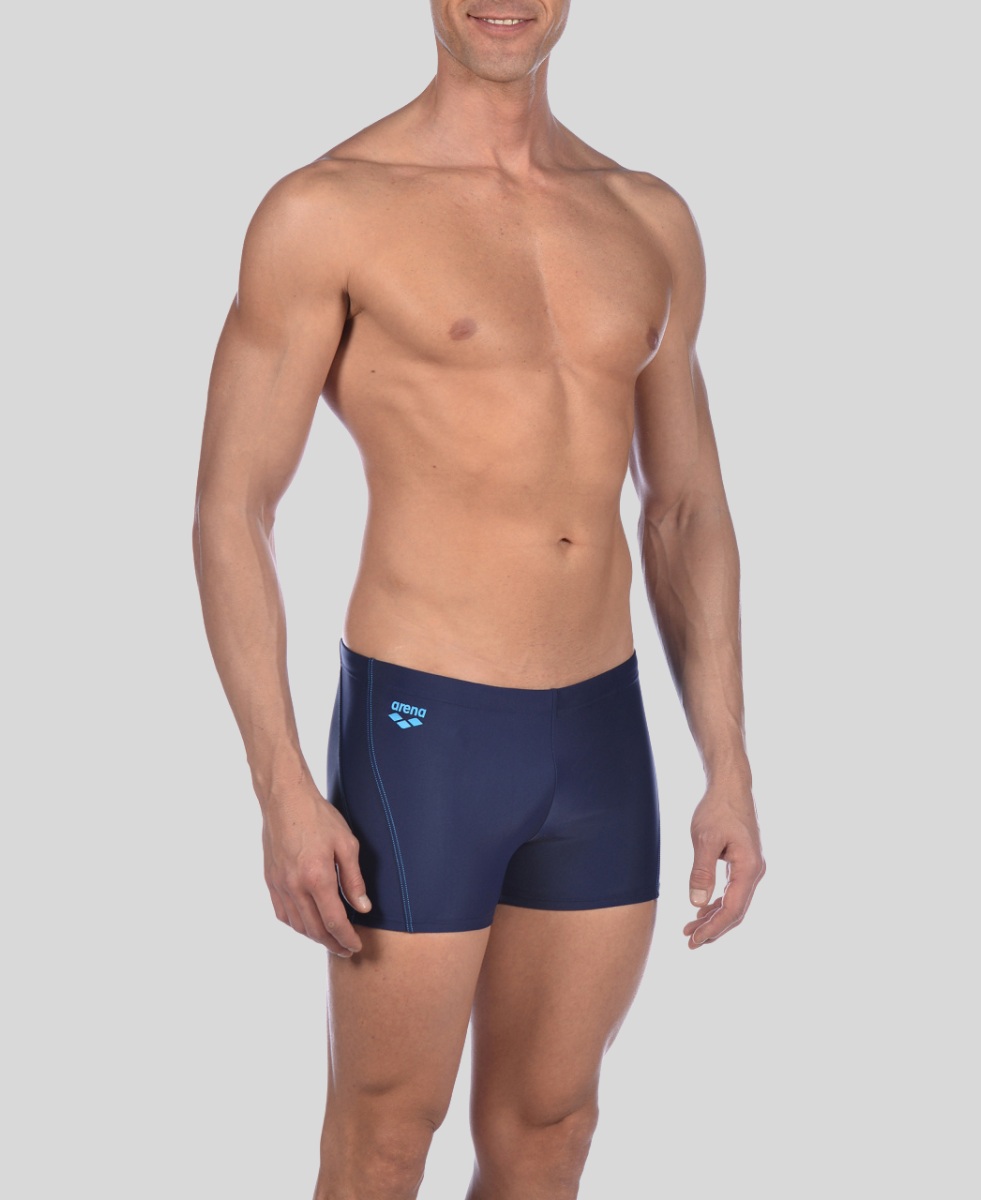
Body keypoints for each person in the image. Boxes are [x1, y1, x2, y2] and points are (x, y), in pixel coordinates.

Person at [193, 3, 765, 1196]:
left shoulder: (648, 216)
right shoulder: (327, 210)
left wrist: (729, 764)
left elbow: (684, 510)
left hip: (601, 737)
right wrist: (282, 787)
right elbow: (232, 510)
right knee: (386, 1134)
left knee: (552, 1128)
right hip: (426, 732)